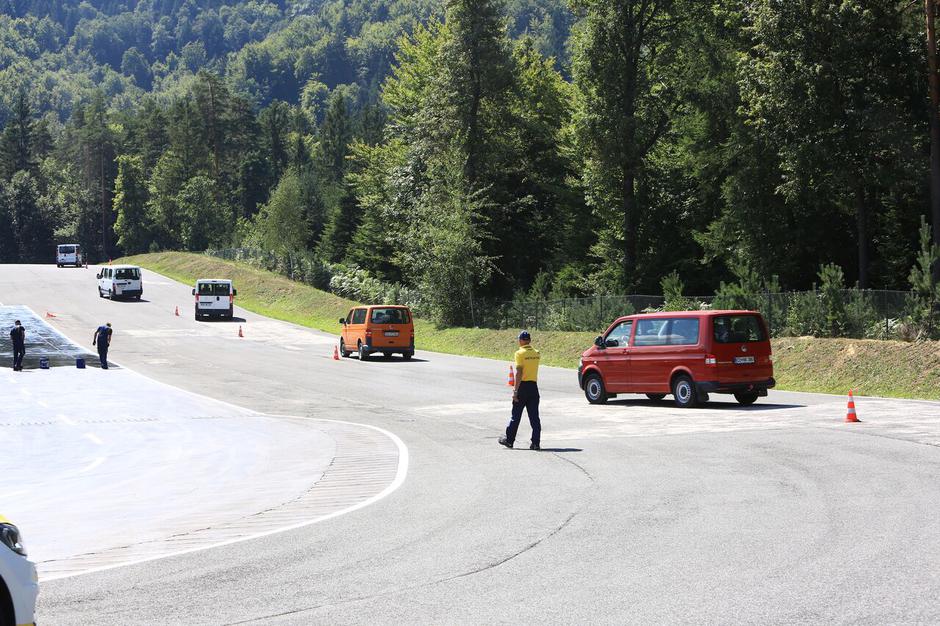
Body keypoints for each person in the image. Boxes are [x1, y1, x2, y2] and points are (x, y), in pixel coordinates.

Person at [499, 330, 541, 451]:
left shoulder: (519, 353)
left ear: (522, 340)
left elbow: (519, 372)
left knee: (516, 415)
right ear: (530, 340)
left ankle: (509, 440)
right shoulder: (537, 353)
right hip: (533, 386)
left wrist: (515, 391)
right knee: (534, 417)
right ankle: (535, 443)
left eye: (519, 339)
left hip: (522, 387)